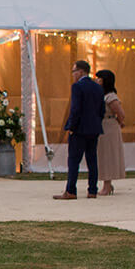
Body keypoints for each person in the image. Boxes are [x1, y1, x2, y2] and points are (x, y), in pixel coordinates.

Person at [55, 60, 105, 200]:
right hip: (93, 129)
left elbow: (75, 109)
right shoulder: (98, 88)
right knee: (92, 160)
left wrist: (71, 126)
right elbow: (101, 110)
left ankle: (71, 190)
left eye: (74, 71)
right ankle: (92, 190)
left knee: (73, 160)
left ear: (81, 72)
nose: (73, 75)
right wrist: (96, 123)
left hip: (79, 129)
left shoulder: (77, 87)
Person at [97, 68, 128, 196]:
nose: (97, 80)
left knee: (108, 155)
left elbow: (121, 113)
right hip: (103, 126)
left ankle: (107, 185)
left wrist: (119, 122)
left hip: (109, 127)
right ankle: (106, 183)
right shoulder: (101, 95)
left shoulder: (110, 97)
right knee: (103, 155)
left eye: (99, 78)